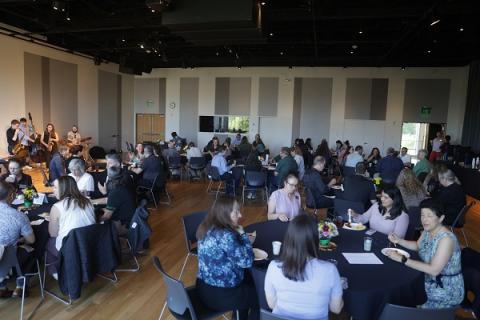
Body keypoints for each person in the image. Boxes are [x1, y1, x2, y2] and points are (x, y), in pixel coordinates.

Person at [387, 199, 464, 309]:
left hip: (445, 289)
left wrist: (403, 259)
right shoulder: (428, 230)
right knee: (400, 284)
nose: (424, 220)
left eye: (429, 216)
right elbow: (418, 246)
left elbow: (434, 270)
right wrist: (399, 241)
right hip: (427, 279)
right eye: (422, 215)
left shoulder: (446, 239)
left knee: (403, 294)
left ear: (441, 218)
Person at [264, 214, 344, 319]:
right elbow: (336, 309)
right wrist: (337, 287)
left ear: (288, 238)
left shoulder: (273, 267)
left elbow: (272, 304)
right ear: (315, 239)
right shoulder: (330, 270)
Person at [196, 198, 259, 320]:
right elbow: (247, 261)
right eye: (236, 212)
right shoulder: (226, 236)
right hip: (221, 295)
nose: (240, 215)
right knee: (260, 296)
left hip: (203, 287)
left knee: (249, 280)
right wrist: (243, 235)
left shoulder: (206, 226)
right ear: (224, 213)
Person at [46, 176, 96, 277]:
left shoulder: (57, 207)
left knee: (48, 244)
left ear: (63, 189)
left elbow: (53, 234)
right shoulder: (88, 201)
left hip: (71, 247)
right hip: (91, 243)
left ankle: (59, 274)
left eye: (55, 187)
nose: (53, 190)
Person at [0, 181, 36, 298]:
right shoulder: (19, 216)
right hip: (6, 259)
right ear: (11, 196)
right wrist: (20, 241)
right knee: (31, 250)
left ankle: (2, 287)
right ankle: (20, 286)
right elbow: (31, 240)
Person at [98, 166, 136, 235]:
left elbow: (107, 216)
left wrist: (94, 220)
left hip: (125, 226)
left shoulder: (115, 192)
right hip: (131, 220)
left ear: (108, 177)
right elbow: (113, 203)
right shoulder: (124, 185)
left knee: (97, 228)